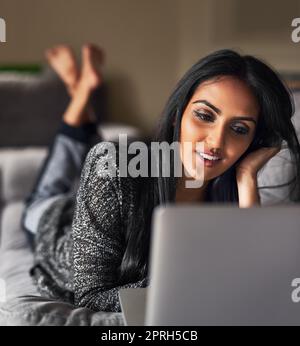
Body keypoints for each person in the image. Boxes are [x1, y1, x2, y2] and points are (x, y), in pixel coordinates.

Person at [22, 46, 300, 312]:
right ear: (177, 114)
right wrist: (203, 277)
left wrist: (247, 179)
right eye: (204, 115)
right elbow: (91, 297)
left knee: (105, 160)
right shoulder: (113, 166)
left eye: (239, 128)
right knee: (52, 187)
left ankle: (79, 89)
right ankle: (80, 92)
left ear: (253, 141)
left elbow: (252, 284)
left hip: (111, 190)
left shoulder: (230, 194)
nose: (216, 142)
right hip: (55, 220)